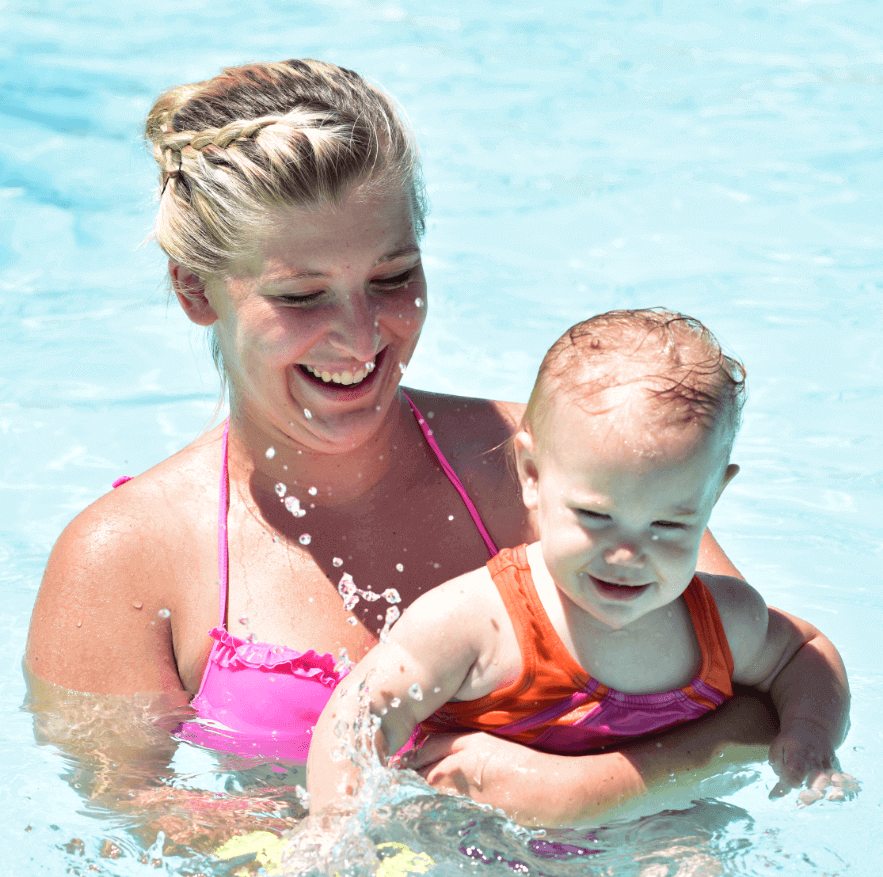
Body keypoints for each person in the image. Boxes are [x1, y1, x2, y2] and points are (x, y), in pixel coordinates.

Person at [26, 58, 794, 828]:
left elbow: (774, 700)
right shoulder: (125, 558)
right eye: (302, 295)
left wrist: (574, 794)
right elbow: (120, 814)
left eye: (392, 277)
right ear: (196, 289)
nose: (361, 334)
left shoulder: (544, 469)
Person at [307, 309, 853, 820]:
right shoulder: (479, 623)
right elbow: (361, 712)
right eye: (595, 515)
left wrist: (809, 732)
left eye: (669, 525)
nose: (627, 554)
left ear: (713, 499)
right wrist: (335, 826)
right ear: (531, 476)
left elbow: (804, 653)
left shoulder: (723, 624)